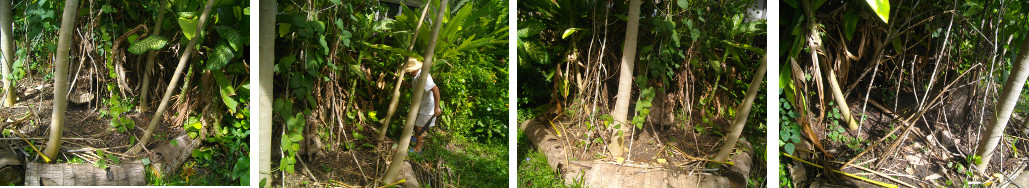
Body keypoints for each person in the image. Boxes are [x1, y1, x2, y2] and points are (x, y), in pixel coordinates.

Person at [404, 58, 441, 153]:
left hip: (428, 106)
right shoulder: (415, 75)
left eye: (410, 71)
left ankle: (418, 148)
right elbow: (415, 86)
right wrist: (403, 84)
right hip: (421, 104)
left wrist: (437, 107)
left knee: (419, 126)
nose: (409, 74)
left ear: (416, 69)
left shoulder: (423, 76)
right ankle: (417, 137)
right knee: (419, 123)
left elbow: (435, 90)